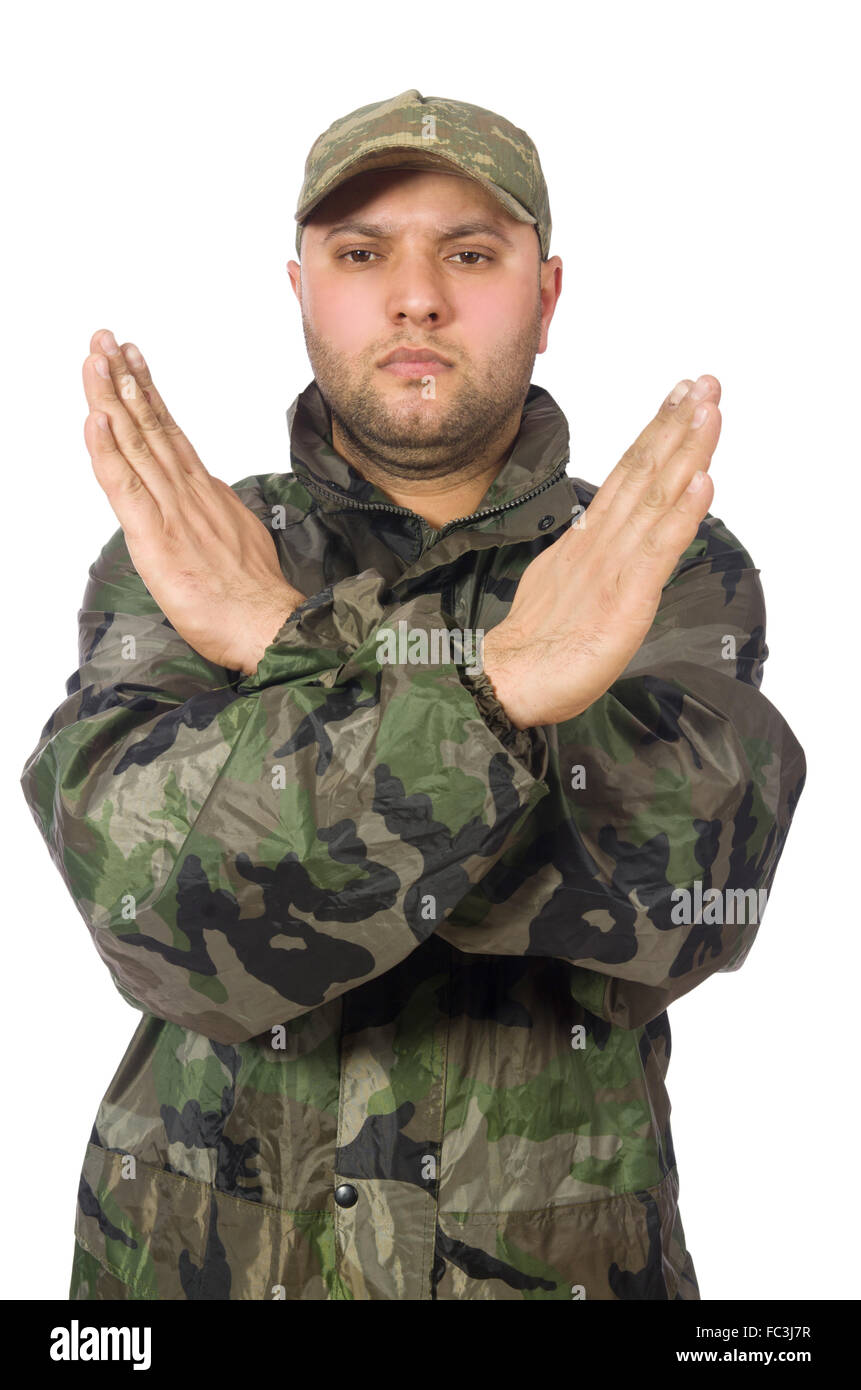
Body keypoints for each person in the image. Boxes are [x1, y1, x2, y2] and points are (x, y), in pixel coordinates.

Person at [20, 88, 806, 1301]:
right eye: (361, 252)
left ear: (546, 299)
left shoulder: (664, 558)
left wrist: (285, 650)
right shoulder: (183, 548)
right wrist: (507, 695)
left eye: (473, 253)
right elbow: (159, 905)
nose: (417, 295)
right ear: (301, 293)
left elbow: (686, 881)